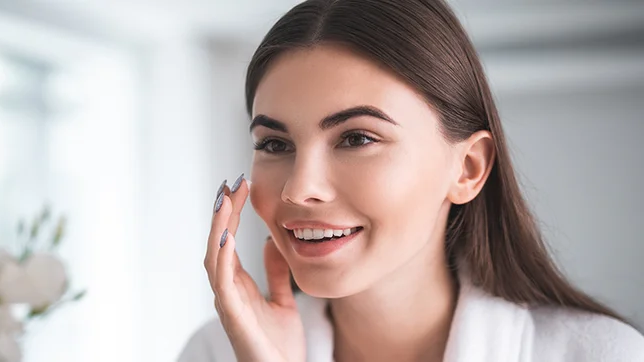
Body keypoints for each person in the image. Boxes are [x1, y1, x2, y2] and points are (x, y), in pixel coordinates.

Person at [178, 0, 644, 361]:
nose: (298, 190)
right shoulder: (217, 352)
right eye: (275, 144)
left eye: (357, 138)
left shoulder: (603, 354)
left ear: (468, 169)